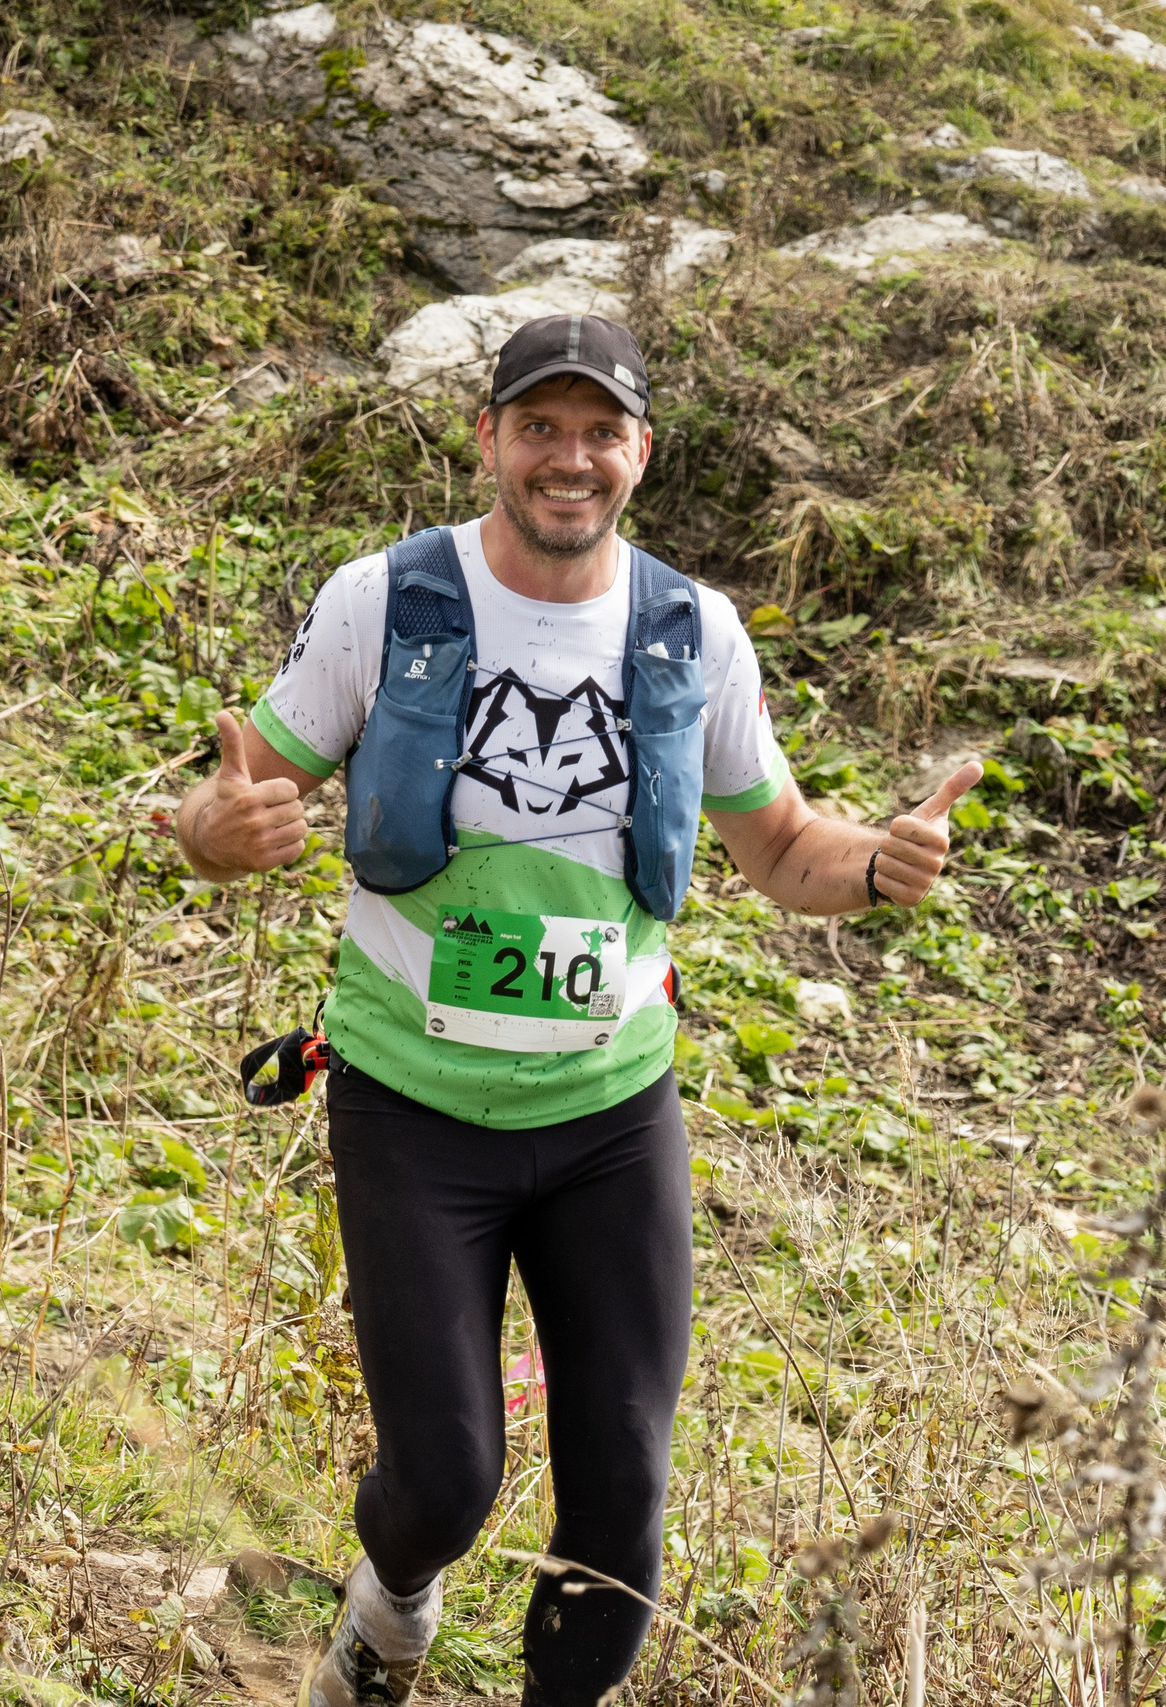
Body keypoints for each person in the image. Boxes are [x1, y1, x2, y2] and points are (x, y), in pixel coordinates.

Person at [175, 315, 979, 1707]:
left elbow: (786, 848)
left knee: (619, 1499)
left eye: (600, 430)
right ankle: (389, 1609)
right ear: (488, 438)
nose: (569, 457)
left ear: (640, 453)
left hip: (611, 1117)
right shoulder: (386, 600)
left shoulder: (691, 630)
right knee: (442, 1479)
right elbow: (236, 793)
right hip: (411, 1107)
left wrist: (877, 865)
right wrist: (218, 831)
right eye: (539, 426)